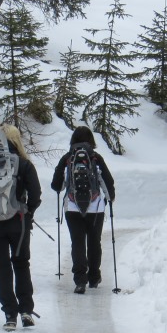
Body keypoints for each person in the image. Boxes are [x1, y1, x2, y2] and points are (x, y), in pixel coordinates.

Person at [0, 124, 42, 331]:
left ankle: (9, 314)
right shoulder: (24, 164)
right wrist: (28, 211)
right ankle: (25, 310)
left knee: (2, 268)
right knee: (21, 264)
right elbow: (36, 194)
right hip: (18, 223)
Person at [50, 126, 116, 294]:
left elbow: (56, 185)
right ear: (91, 140)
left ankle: (80, 280)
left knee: (77, 242)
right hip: (96, 209)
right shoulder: (96, 157)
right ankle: (94, 277)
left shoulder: (68, 158)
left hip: (72, 207)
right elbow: (108, 180)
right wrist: (110, 198)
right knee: (94, 242)